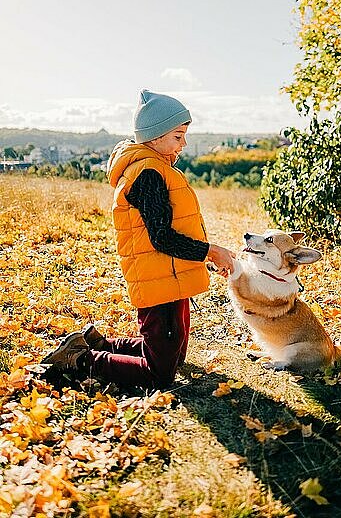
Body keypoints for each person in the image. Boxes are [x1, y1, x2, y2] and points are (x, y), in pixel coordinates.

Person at [41, 89, 235, 389]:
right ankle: (80, 358)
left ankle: (100, 343)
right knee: (159, 375)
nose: (184, 144)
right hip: (159, 283)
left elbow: (174, 230)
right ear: (155, 137)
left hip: (170, 277)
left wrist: (205, 257)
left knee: (174, 357)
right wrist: (211, 252)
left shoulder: (156, 167)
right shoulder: (148, 173)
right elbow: (162, 238)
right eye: (178, 136)